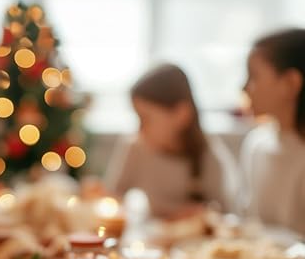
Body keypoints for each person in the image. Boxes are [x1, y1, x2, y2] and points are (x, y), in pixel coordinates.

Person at [105, 64, 237, 219]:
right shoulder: (135, 147)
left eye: (145, 118)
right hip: (150, 232)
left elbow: (226, 214)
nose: (139, 129)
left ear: (181, 114)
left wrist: (204, 213)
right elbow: (113, 197)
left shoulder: (209, 155)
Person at [240, 28, 305, 234]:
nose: (244, 88)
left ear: (291, 83)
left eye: (253, 76)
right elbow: (250, 224)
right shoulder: (256, 145)